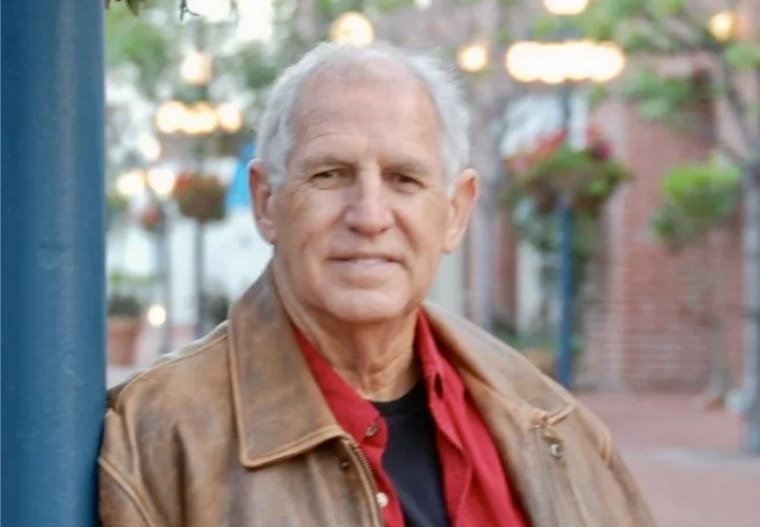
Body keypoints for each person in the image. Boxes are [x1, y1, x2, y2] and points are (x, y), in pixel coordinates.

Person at [99, 42, 655, 527]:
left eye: (404, 179)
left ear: (456, 212)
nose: (369, 216)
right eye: (330, 174)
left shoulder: (549, 421)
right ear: (267, 202)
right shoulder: (159, 434)